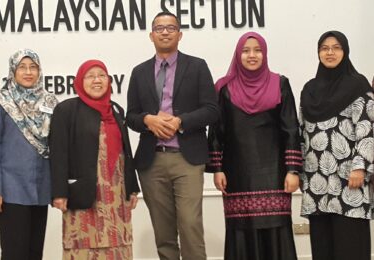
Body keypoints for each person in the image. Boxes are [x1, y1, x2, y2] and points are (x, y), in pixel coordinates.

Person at [126, 11, 219, 260]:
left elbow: (212, 110)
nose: (164, 32)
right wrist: (148, 120)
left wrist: (180, 121)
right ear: (151, 35)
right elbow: (131, 116)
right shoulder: (139, 72)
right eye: (159, 28)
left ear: (180, 34)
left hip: (186, 158)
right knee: (163, 233)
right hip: (151, 161)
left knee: (190, 226)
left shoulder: (197, 66)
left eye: (170, 28)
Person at [206, 32, 301, 260]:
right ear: (238, 55)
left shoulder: (280, 84)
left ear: (265, 53)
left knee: (276, 228)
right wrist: (217, 169)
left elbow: (290, 128)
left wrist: (293, 170)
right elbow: (217, 130)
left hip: (275, 172)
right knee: (241, 229)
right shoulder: (224, 88)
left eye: (257, 50)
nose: (252, 55)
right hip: (237, 173)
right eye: (246, 51)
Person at [50, 60, 140, 260]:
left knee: (118, 245)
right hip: (85, 192)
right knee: (83, 245)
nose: (97, 80)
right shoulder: (67, 110)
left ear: (109, 81)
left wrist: (132, 187)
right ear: (80, 81)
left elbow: (126, 151)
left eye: (101, 75)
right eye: (90, 76)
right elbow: (58, 153)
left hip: (117, 194)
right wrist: (59, 193)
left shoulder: (116, 110)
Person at [300, 31, 373, 260]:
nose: (330, 52)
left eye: (336, 47)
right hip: (316, 181)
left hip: (348, 181)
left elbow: (367, 129)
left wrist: (360, 167)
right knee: (323, 249)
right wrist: (302, 174)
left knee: (349, 247)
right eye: (324, 47)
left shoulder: (358, 85)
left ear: (345, 51)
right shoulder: (309, 89)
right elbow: (302, 133)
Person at [0, 49, 58, 260]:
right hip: (10, 191)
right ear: (12, 71)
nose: (28, 72)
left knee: (35, 253)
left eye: (33, 67)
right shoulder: (0, 101)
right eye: (22, 67)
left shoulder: (50, 102)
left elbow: (57, 145)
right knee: (15, 253)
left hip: (41, 189)